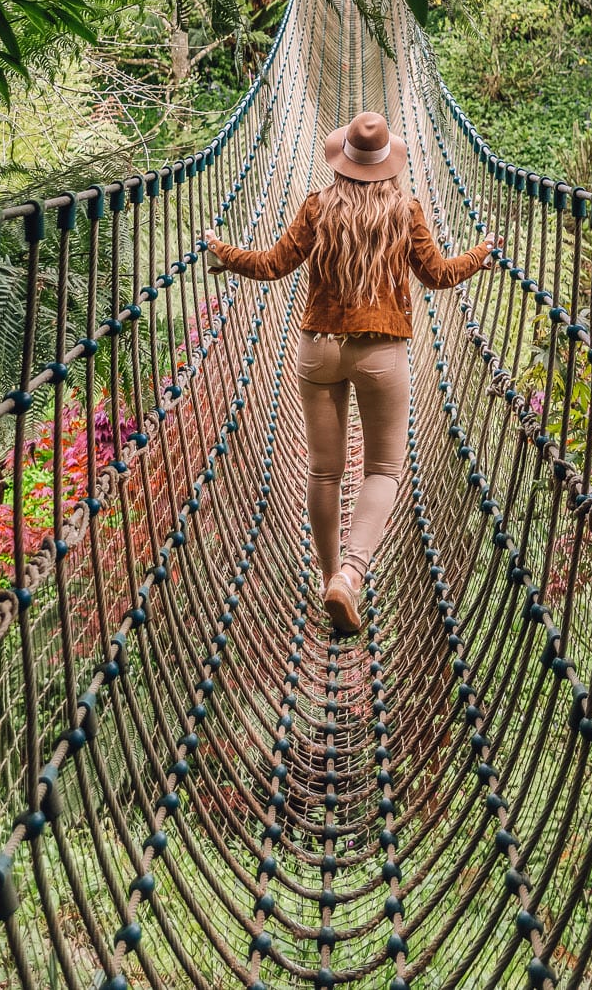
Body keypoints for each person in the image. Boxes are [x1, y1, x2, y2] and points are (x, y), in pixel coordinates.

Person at [203, 110, 492, 635]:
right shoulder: (406, 210)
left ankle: (330, 574)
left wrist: (220, 250)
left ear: (343, 161)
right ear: (389, 163)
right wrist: (482, 254)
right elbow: (439, 275)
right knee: (383, 469)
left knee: (323, 471)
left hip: (320, 349)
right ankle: (352, 576)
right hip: (382, 352)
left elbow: (271, 265)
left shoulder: (317, 206)